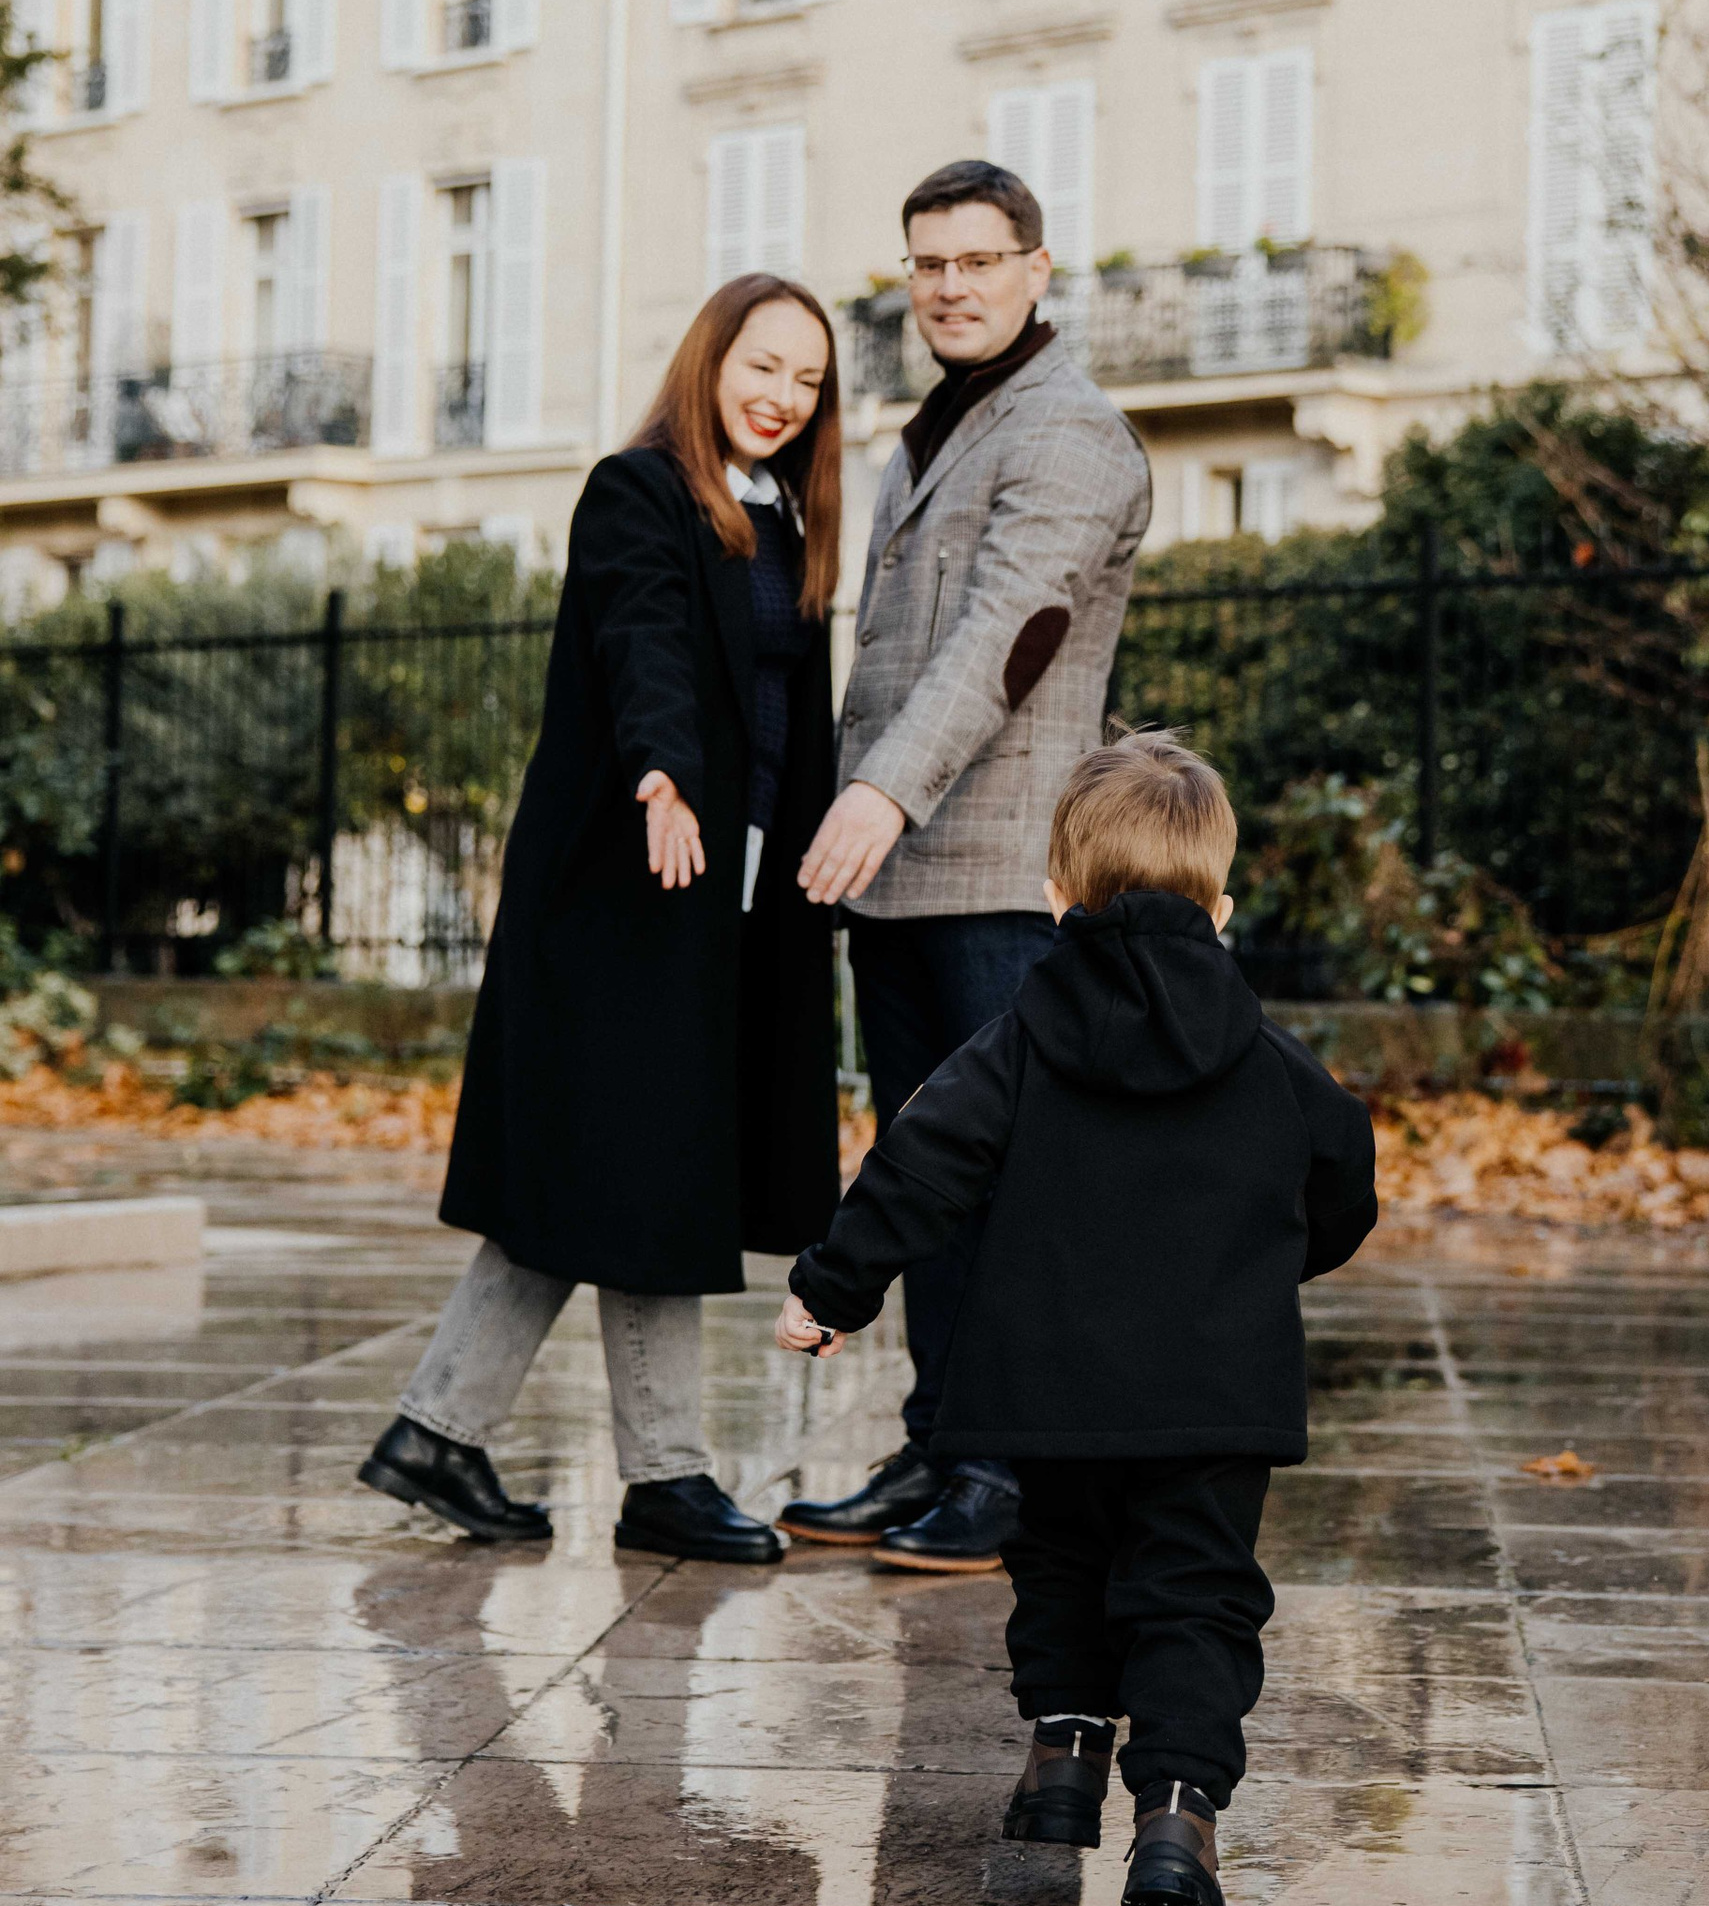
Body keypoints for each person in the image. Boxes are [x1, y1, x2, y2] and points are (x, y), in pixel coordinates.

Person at [775, 733, 1378, 1906]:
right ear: (1222, 907)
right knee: (1195, 1594)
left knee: (1059, 1573)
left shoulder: (1016, 1043)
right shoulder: (1268, 1058)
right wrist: (1269, 1264)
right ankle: (1175, 1824)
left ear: (1053, 896)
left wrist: (831, 1287)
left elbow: (919, 1161)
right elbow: (1344, 1172)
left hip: (1043, 1389)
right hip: (1215, 1397)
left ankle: (1060, 1767)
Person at [359, 275, 846, 1565]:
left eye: (807, 379)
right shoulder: (637, 488)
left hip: (720, 894)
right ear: (709, 359)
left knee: (620, 1168)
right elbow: (643, 640)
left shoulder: (784, 517)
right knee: (640, 1166)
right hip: (630, 881)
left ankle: (442, 1432)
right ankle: (659, 1476)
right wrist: (662, 770)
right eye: (763, 365)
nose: (782, 396)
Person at [782, 159, 1154, 1574]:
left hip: (1000, 872)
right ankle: (942, 1439)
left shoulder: (1069, 433)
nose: (950, 286)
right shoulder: (933, 430)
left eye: (978, 261)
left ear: (1037, 269)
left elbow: (1010, 632)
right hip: (901, 877)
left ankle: (1010, 1469)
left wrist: (878, 788)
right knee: (923, 1167)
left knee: (1005, 1179)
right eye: (928, 264)